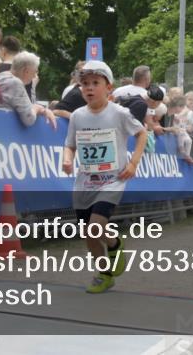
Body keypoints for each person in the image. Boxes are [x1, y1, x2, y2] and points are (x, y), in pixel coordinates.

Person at [61, 60, 148, 294]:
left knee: (95, 228)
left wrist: (133, 162)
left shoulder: (119, 113)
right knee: (88, 234)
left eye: (95, 83)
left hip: (113, 178)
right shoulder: (77, 116)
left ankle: (114, 243)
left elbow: (142, 134)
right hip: (85, 181)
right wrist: (67, 159)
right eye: (84, 84)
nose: (89, 88)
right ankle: (104, 274)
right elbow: (70, 145)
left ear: (108, 87)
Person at [0, 51, 56, 128]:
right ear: (26, 71)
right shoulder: (16, 83)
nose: (35, 76)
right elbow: (29, 118)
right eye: (35, 72)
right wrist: (37, 108)